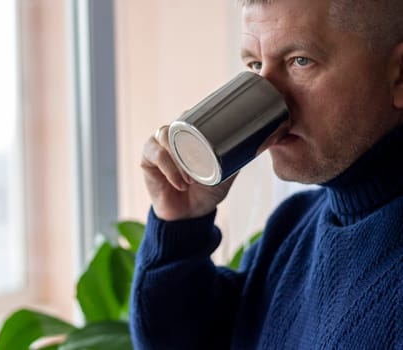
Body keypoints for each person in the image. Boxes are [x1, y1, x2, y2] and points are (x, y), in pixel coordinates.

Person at [130, 0, 403, 348]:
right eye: (255, 65)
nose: (269, 95)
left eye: (299, 61)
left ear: (399, 75)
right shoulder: (292, 228)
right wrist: (181, 223)